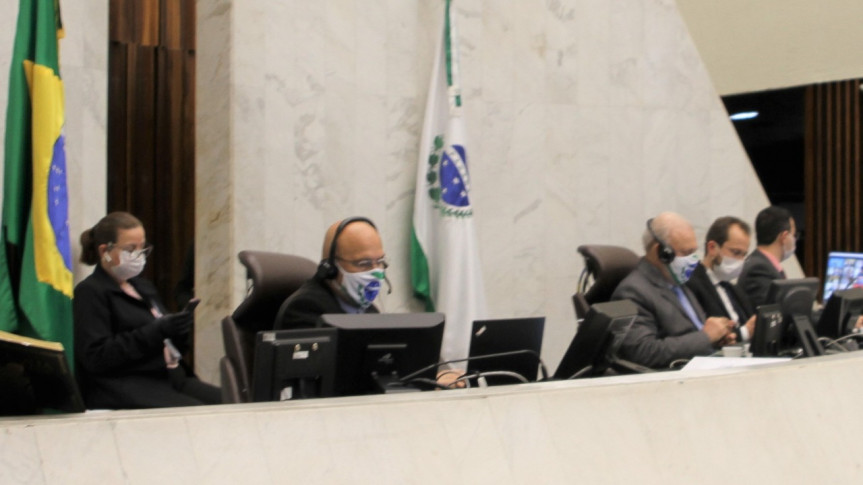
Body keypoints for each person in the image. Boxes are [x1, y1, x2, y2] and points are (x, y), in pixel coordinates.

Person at [74, 212, 221, 409]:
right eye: (130, 249)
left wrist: (178, 329)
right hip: (127, 384)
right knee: (201, 416)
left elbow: (168, 341)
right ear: (104, 251)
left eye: (142, 248)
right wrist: (157, 331)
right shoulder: (90, 292)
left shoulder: (143, 287)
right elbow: (97, 357)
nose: (139, 255)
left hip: (171, 377)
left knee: (234, 403)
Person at [611, 212, 736, 368]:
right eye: (686, 252)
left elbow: (693, 335)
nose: (693, 260)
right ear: (661, 252)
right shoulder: (632, 291)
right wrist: (706, 337)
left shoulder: (679, 282)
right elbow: (643, 352)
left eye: (694, 252)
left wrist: (716, 339)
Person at [275, 217, 388, 330]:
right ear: (331, 267)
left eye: (380, 262)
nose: (376, 272)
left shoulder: (370, 311)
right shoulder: (305, 309)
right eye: (364, 263)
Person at [686, 216, 757, 343]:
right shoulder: (691, 284)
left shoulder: (734, 289)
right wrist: (745, 332)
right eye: (736, 252)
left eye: (744, 255)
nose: (740, 261)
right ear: (712, 247)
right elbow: (703, 336)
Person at [737, 206, 796, 307]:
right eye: (794, 235)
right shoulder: (758, 269)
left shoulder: (764, 264)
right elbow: (772, 311)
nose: (795, 240)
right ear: (784, 237)